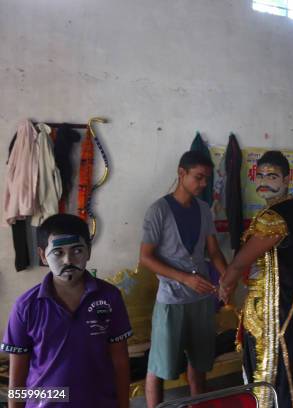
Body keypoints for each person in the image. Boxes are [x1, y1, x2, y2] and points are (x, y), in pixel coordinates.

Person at [1, 214, 132, 408]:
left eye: (77, 250)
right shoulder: (26, 307)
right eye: (58, 253)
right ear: (43, 256)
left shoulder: (110, 297)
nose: (68, 260)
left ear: (89, 252)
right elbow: (17, 376)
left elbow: (120, 361)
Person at [219, 151, 293, 408]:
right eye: (260, 175)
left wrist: (227, 280)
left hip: (275, 315)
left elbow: (242, 260)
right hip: (281, 308)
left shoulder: (276, 216)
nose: (264, 181)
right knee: (287, 370)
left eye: (272, 176)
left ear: (287, 179)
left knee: (273, 372)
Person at [140, 151, 228, 408]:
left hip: (201, 300)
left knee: (199, 365)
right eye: (198, 178)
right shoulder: (158, 211)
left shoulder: (203, 210)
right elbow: (146, 257)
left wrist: (227, 279)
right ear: (181, 173)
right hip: (171, 301)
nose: (203, 184)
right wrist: (185, 278)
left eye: (206, 179)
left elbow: (213, 252)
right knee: (158, 366)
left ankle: (197, 404)